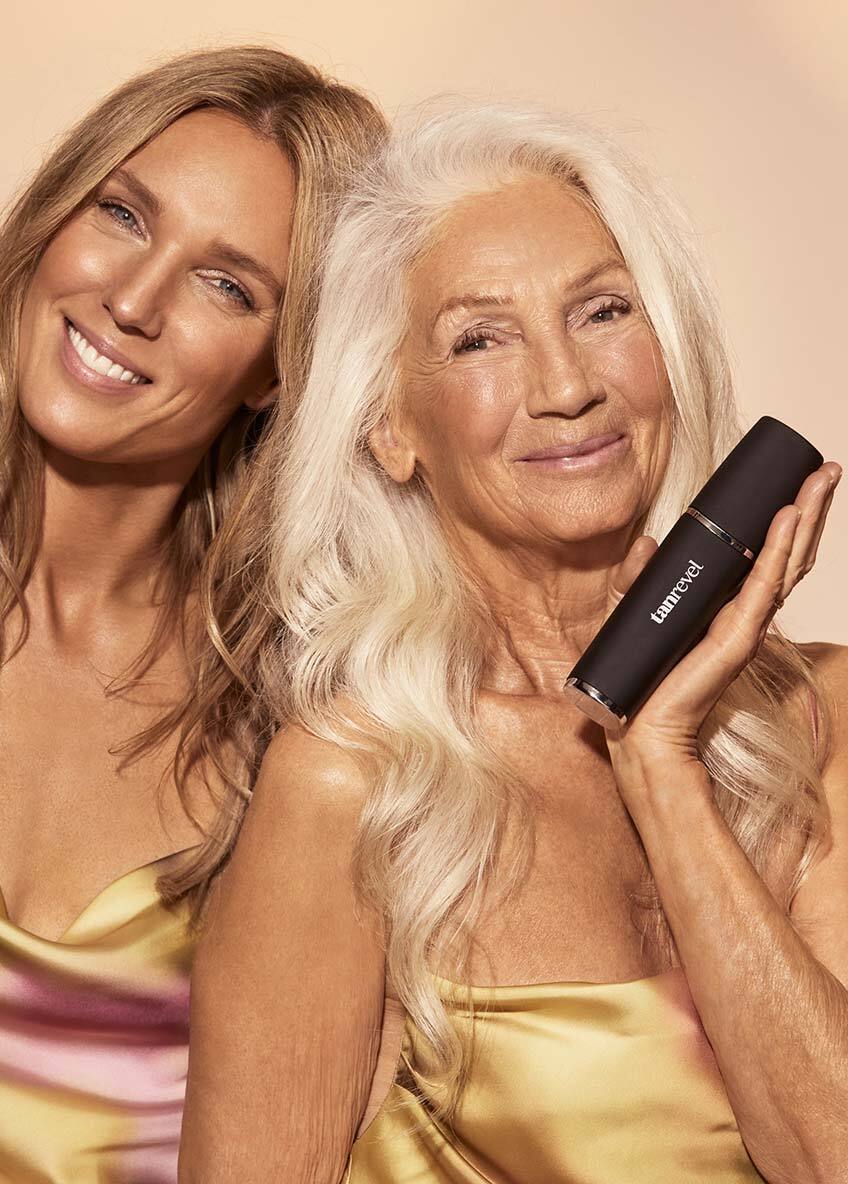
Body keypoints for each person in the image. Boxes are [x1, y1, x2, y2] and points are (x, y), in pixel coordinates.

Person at [182, 102, 847, 1183]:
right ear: (389, 425)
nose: (568, 387)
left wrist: (661, 763)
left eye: (602, 311)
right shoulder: (355, 783)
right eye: (479, 338)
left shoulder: (820, 720)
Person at [0, 45, 383, 1184]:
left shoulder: (298, 725)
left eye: (228, 285)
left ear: (278, 370)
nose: (131, 300)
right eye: (122, 214)